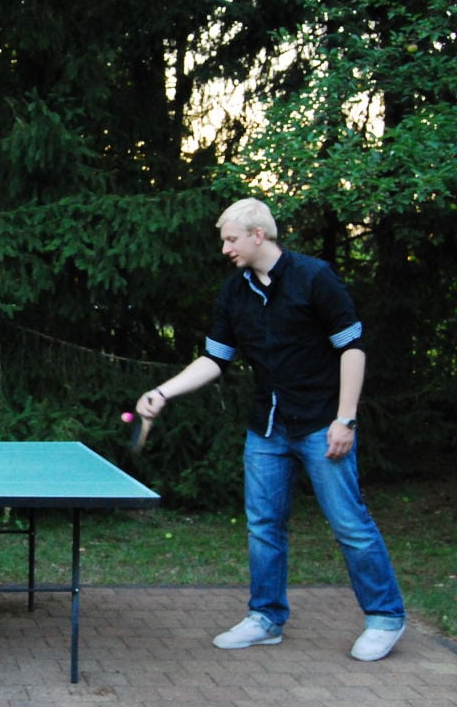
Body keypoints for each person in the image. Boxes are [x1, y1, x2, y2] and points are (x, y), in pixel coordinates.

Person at [135, 198, 406, 662]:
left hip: (322, 423)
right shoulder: (233, 293)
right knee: (263, 527)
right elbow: (215, 359)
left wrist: (345, 418)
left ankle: (385, 618)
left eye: (231, 239)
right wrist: (163, 392)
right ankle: (266, 618)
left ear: (258, 235)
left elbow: (352, 349)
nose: (225, 248)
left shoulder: (315, 278)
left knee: (350, 525)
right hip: (267, 428)